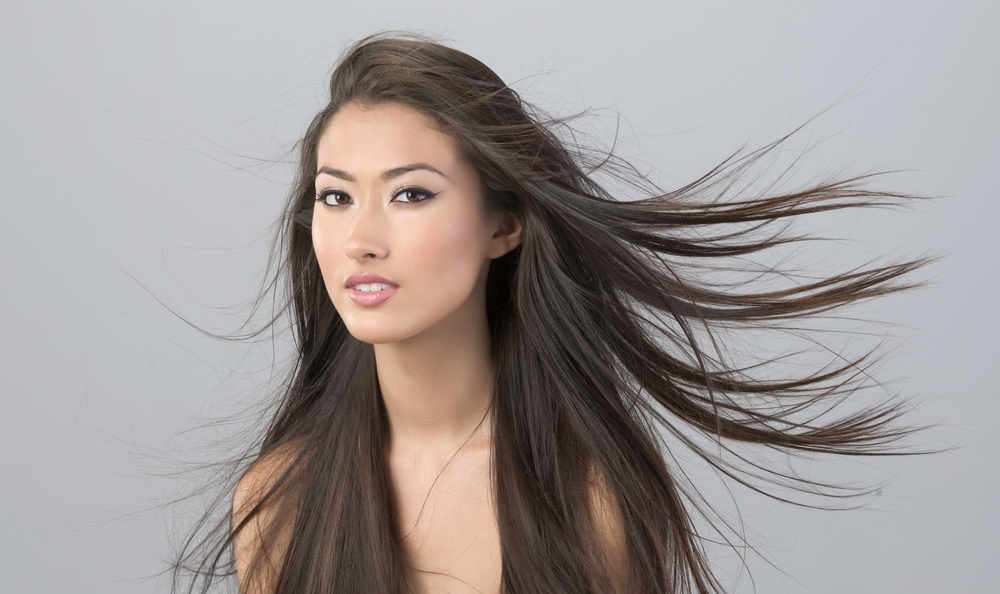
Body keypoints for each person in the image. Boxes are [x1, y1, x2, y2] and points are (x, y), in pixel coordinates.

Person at [175, 33, 925, 594]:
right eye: (335, 196)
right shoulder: (280, 499)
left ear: (505, 226)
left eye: (411, 194)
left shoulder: (585, 498)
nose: (361, 240)